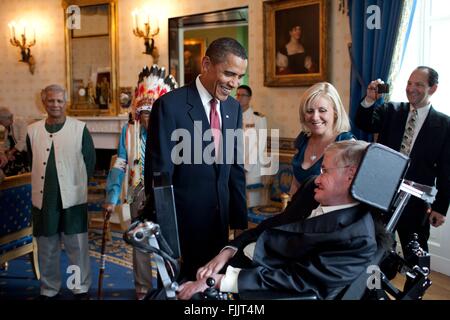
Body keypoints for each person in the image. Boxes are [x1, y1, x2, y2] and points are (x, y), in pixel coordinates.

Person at [177, 140, 386, 300]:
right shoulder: (311, 190)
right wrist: (227, 251)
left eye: (325, 170)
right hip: (240, 261)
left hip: (260, 288)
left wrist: (218, 281)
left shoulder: (357, 238)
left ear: (350, 175)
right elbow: (271, 226)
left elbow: (297, 281)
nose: (318, 178)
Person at [144, 37, 248, 280]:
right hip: (182, 229)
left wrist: (239, 221)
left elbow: (234, 167)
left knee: (211, 290)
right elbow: (159, 176)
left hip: (219, 225)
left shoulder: (233, 108)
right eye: (229, 74)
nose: (235, 83)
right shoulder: (170, 106)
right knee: (179, 292)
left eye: (240, 76)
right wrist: (168, 235)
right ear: (206, 64)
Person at [355, 66, 450, 255]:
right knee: (377, 250)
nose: (411, 88)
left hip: (416, 202)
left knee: (416, 254)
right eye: (409, 83)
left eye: (419, 84)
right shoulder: (390, 110)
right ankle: (377, 284)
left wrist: (440, 207)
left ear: (433, 89)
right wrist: (369, 99)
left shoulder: (445, 125)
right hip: (380, 195)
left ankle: (414, 285)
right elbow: (363, 123)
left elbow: (447, 170)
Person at [105, 66, 176, 300]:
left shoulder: (172, 131)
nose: (150, 118)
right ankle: (142, 288)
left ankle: (169, 285)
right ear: (138, 114)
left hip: (166, 194)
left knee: (167, 241)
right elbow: (120, 165)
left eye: (154, 112)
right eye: (146, 113)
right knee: (139, 241)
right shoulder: (128, 132)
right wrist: (111, 197)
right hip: (138, 193)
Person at [26, 84, 96, 300]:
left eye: (59, 101)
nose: (55, 105)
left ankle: (78, 287)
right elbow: (32, 161)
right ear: (43, 101)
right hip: (44, 199)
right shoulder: (32, 131)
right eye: (51, 101)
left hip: (73, 199)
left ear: (66, 102)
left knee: (76, 247)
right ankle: (49, 289)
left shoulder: (79, 128)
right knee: (46, 247)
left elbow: (90, 162)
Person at [289, 82, 354, 196]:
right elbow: (295, 184)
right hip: (299, 211)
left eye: (322, 110)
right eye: (310, 111)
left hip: (329, 212)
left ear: (335, 112)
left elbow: (351, 192)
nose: (315, 117)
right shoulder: (303, 138)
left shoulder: (346, 143)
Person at [236, 85, 268, 207]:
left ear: (249, 98)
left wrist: (246, 167)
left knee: (252, 204)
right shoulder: (233, 116)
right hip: (235, 167)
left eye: (242, 95)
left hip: (252, 169)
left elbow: (260, 145)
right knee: (237, 204)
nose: (239, 98)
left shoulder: (258, 119)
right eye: (237, 95)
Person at [0, 107, 30, 176]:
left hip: (25, 153)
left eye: (1, 122)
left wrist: (11, 152)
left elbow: (22, 141)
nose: (1, 124)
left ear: (7, 119)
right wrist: (7, 153)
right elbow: (6, 144)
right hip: (15, 154)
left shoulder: (20, 122)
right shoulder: (7, 128)